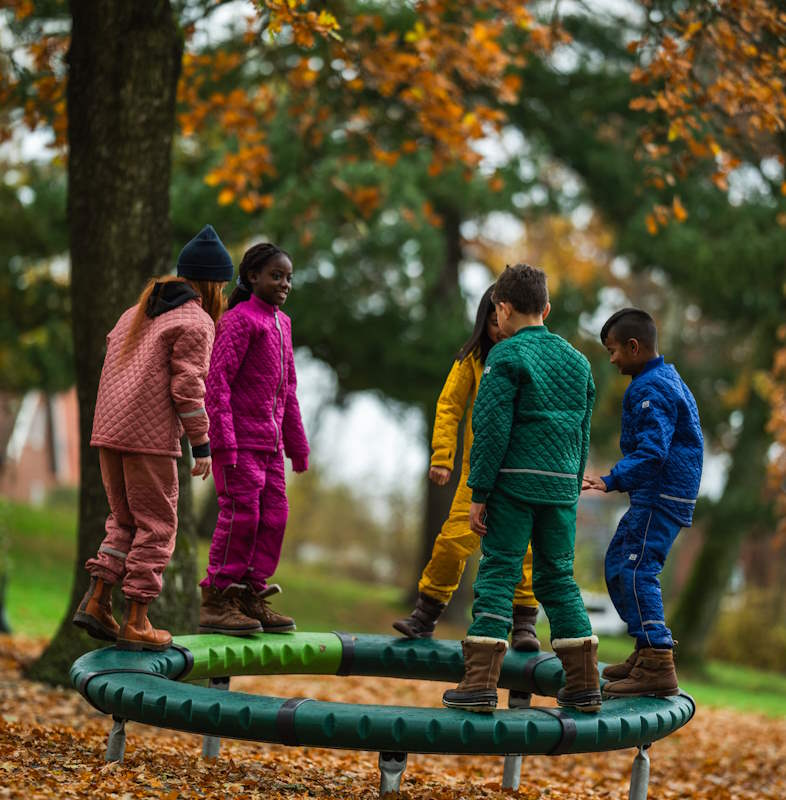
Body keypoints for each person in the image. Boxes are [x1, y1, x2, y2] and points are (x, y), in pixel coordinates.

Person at [442, 264, 601, 713]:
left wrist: (479, 491)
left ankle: (478, 683)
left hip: (512, 486)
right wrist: (571, 484)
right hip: (560, 491)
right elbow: (583, 433)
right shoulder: (578, 361)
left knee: (498, 573)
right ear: (546, 309)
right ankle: (586, 683)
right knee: (558, 579)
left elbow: (490, 431)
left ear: (503, 308)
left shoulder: (505, 357)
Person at [73, 224, 232, 651]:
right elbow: (188, 387)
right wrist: (202, 443)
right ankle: (137, 619)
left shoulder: (137, 311)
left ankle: (98, 601)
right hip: (149, 439)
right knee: (158, 527)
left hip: (109, 431)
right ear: (213, 283)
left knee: (123, 521)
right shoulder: (196, 320)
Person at [393, 286, 540, 652]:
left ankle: (524, 624)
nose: (499, 329)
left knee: (526, 551)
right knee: (452, 543)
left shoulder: (535, 357)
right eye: (492, 322)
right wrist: (443, 457)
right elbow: (449, 407)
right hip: (478, 477)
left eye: (503, 320)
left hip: (523, 475)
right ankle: (425, 614)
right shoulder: (473, 359)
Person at [583, 307, 703, 698]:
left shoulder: (652, 388)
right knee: (619, 563)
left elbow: (654, 452)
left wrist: (611, 479)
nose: (613, 358)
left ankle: (658, 660)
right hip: (660, 494)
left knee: (636, 570)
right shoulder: (664, 379)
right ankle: (645, 648)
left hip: (659, 495)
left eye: (614, 350)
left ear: (634, 347)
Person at [198, 242, 309, 636]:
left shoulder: (283, 323)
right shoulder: (240, 320)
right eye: (276, 276)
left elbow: (289, 389)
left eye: (288, 277)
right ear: (251, 278)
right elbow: (218, 382)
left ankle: (250, 594)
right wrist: (222, 441)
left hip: (271, 445)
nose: (284, 284)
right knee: (241, 516)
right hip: (239, 442)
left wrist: (297, 444)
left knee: (275, 516)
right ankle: (218, 596)